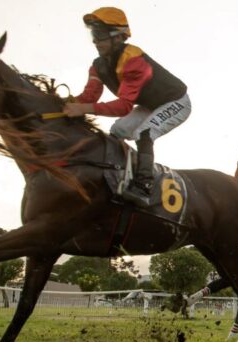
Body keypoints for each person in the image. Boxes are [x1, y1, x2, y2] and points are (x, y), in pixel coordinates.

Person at [64, 7, 191, 207]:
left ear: (118, 36)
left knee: (145, 132)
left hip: (176, 101)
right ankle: (119, 175)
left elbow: (123, 106)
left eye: (99, 34)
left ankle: (144, 186)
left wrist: (84, 109)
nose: (95, 41)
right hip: (149, 105)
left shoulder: (133, 60)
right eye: (93, 34)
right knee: (117, 130)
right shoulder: (98, 65)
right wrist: (66, 102)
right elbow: (90, 96)